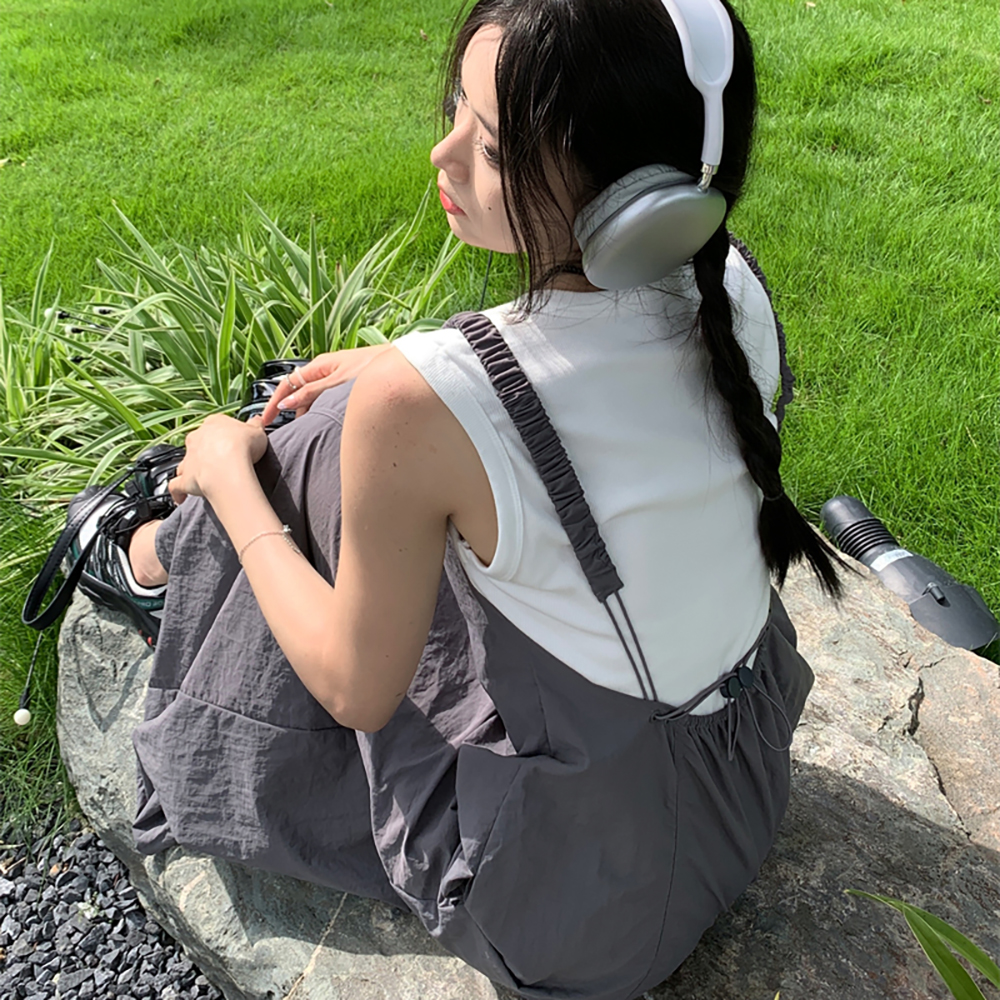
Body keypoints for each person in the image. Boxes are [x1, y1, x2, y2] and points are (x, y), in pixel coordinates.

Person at [120, 0, 849, 996]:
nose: (442, 153)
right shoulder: (733, 289)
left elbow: (355, 690)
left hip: (573, 910)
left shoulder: (426, 400)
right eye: (456, 109)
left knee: (307, 457)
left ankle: (163, 552)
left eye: (493, 146)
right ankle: (174, 545)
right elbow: (585, 395)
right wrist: (399, 367)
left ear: (630, 194)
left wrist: (229, 481)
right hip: (736, 793)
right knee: (361, 428)